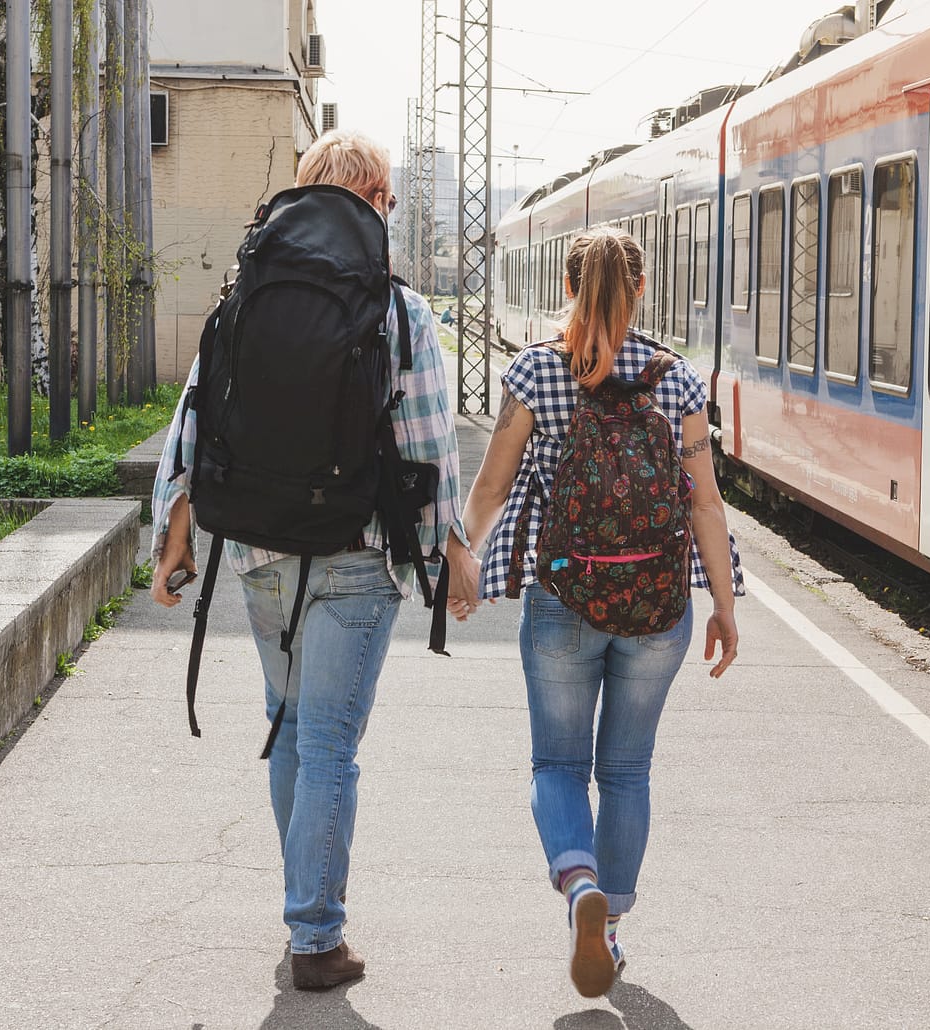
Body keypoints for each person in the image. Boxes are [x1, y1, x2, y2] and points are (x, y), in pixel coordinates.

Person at [150, 128, 479, 990]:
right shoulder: (398, 309)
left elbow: (193, 420)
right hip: (357, 554)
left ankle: (305, 911)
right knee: (330, 742)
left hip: (257, 547)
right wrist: (453, 555)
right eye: (391, 201)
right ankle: (316, 938)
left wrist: (170, 534)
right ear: (374, 198)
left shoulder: (245, 292)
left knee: (292, 728)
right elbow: (430, 447)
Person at [445, 225, 741, 998]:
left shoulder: (537, 371)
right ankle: (609, 931)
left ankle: (580, 885)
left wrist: (465, 560)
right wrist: (725, 605)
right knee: (628, 771)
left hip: (562, 598)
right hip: (658, 604)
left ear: (569, 288)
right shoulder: (676, 381)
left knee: (558, 765)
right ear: (640, 291)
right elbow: (704, 502)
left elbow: (492, 487)